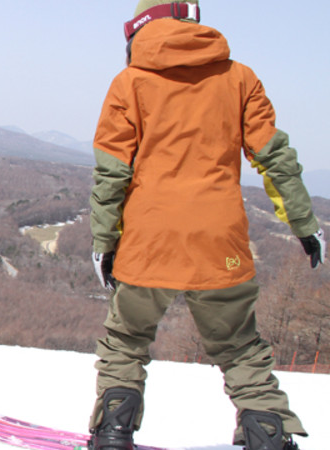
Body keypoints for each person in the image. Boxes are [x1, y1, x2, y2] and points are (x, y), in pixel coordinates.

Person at [87, 1, 324, 449]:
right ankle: (268, 433)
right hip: (220, 240)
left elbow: (112, 172)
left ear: (140, 25)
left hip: (148, 238)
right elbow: (274, 157)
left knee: (126, 340)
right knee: (238, 346)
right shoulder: (239, 78)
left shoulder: (130, 82)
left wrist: (104, 241)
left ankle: (113, 434)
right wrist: (303, 223)